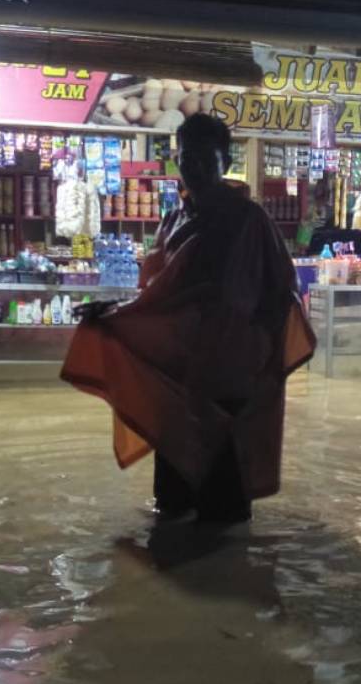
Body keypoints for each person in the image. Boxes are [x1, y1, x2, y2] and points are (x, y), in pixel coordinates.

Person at [60, 113, 316, 524]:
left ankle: (221, 574)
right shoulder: (173, 221)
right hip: (179, 370)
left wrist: (257, 360)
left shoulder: (248, 220)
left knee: (225, 504)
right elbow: (159, 295)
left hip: (230, 372)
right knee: (173, 498)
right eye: (185, 158)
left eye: (203, 159)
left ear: (224, 160)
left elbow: (280, 292)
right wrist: (115, 312)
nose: (192, 168)